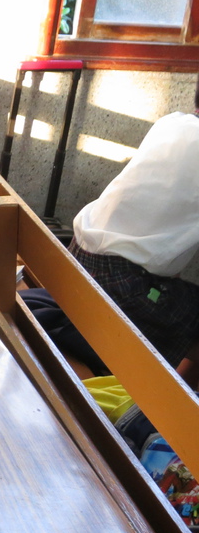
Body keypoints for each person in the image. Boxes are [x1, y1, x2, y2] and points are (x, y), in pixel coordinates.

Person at [69, 74, 199, 392]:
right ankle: (167, 404)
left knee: (178, 291)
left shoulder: (172, 123)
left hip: (76, 258)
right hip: (123, 283)